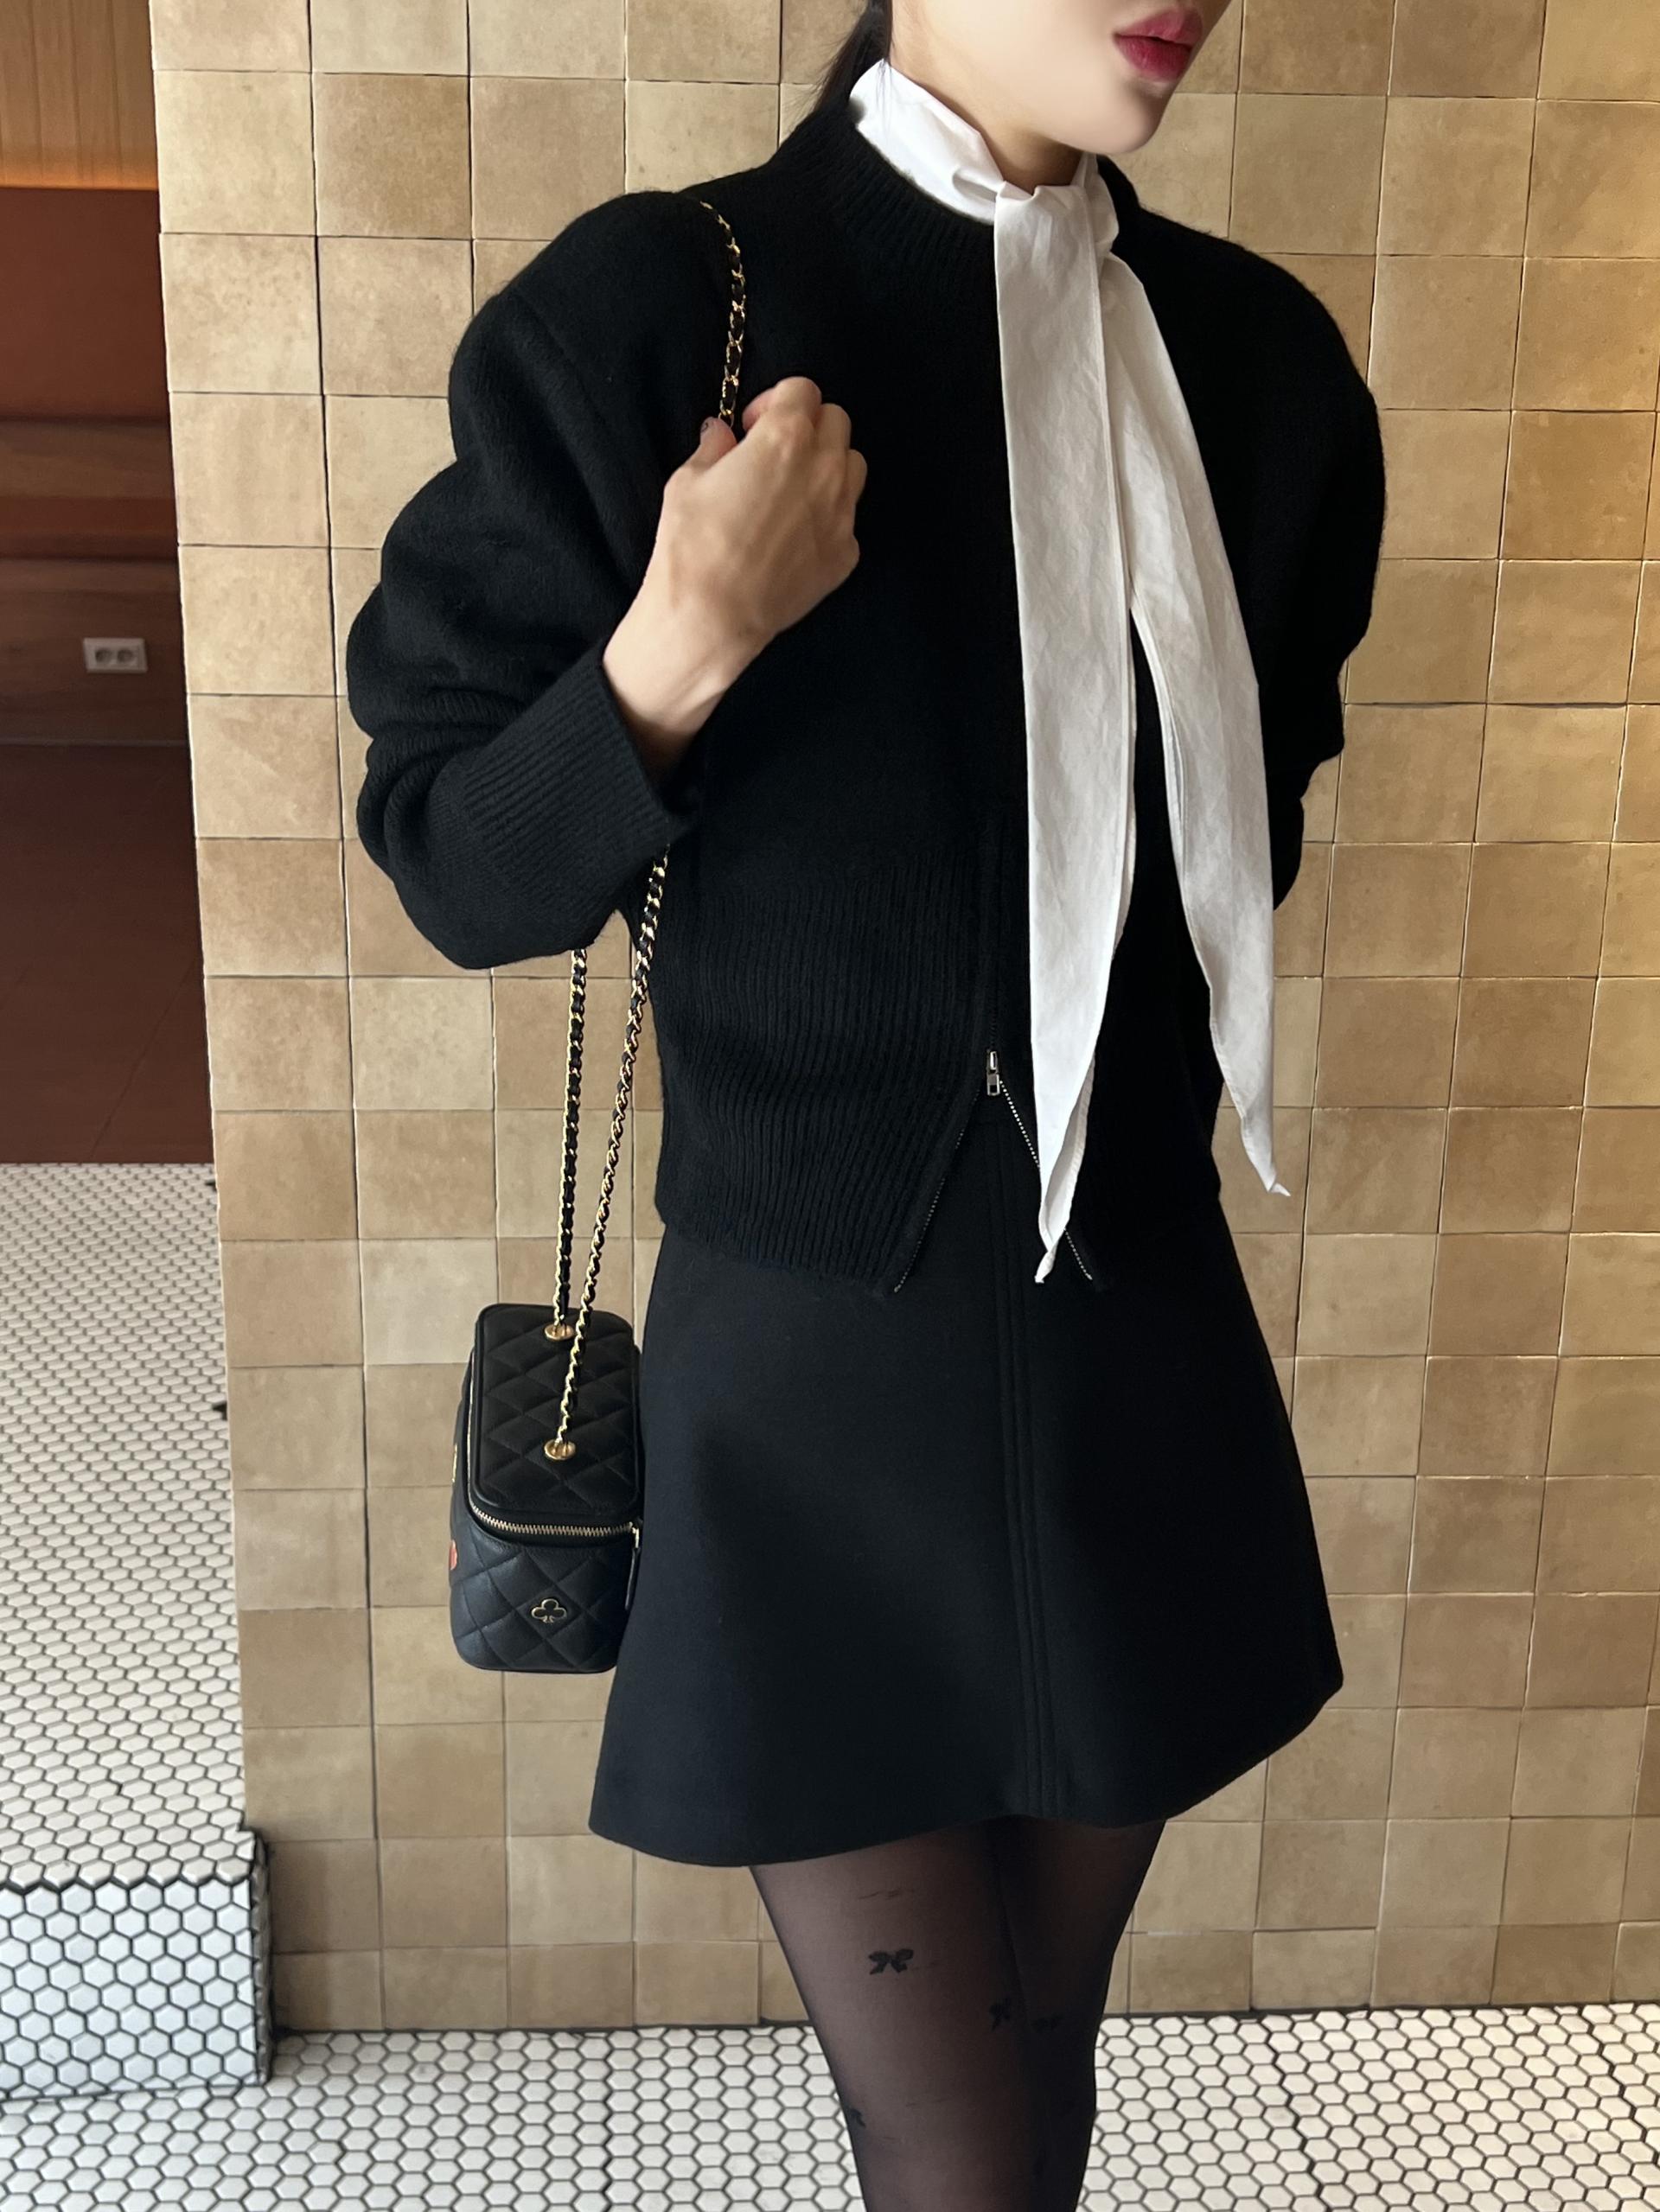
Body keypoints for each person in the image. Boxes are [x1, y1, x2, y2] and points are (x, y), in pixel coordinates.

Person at [345, 3, 1387, 2204]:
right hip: (814, 1369)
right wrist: (678, 643)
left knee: (1032, 2073)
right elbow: (452, 857)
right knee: (960, 2132)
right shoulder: (659, 311)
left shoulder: (1261, 366)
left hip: (1139, 1330)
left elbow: (1241, 827)